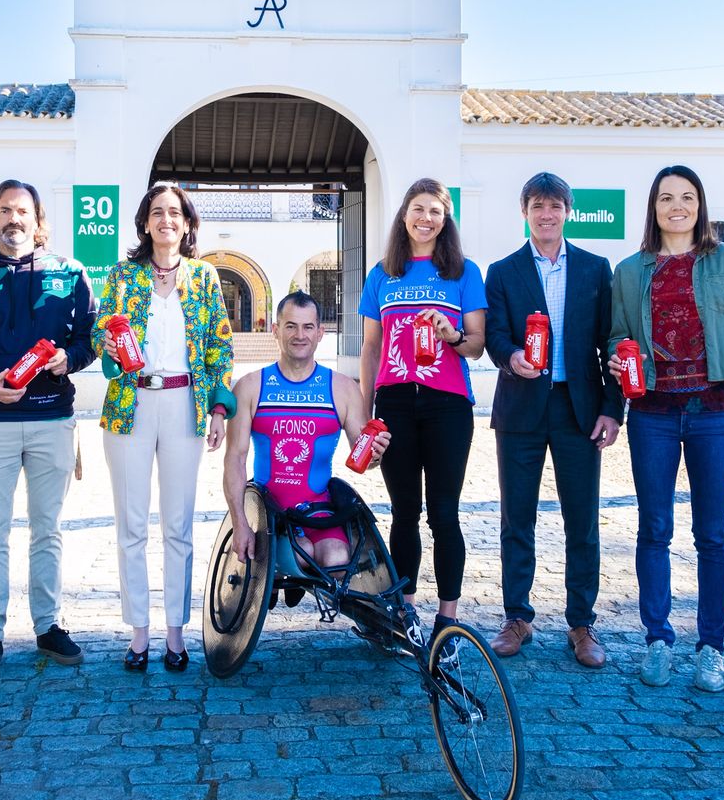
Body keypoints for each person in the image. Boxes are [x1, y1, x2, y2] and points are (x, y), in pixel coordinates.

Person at [0, 179, 95, 682]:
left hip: (53, 419)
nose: (14, 219)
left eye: (23, 211)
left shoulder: (70, 272)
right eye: (5, 210)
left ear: (37, 219)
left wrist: (68, 359)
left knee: (47, 530)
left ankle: (48, 626)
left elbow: (89, 338)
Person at [609, 165, 724, 693]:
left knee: (712, 533)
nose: (677, 207)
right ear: (654, 207)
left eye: (687, 197)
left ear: (700, 204)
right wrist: (618, 359)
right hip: (653, 416)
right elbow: (617, 336)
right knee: (654, 529)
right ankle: (657, 640)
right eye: (666, 198)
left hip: (715, 412)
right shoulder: (629, 271)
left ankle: (711, 647)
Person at [482, 173, 622, 665]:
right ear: (524, 212)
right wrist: (510, 356)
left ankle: (582, 623)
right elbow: (494, 333)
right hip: (520, 407)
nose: (546, 215)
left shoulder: (594, 269)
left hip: (577, 409)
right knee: (516, 518)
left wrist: (612, 409)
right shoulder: (502, 271)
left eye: (555, 206)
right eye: (538, 206)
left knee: (582, 520)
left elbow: (611, 343)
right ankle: (517, 617)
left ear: (568, 212)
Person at [95, 182, 234, 672]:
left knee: (178, 524)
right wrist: (106, 346)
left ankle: (175, 631)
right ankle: (139, 632)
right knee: (131, 524)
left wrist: (219, 409)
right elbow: (100, 330)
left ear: (188, 222)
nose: (166, 220)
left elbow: (220, 346)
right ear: (145, 222)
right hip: (129, 404)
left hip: (184, 404)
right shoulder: (122, 275)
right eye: (157, 212)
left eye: (175, 212)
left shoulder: (204, 276)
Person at [358, 177, 486, 652]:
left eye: (435, 211)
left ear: (445, 219)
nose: (426, 218)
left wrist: (452, 335)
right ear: (404, 214)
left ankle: (447, 623)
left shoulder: (463, 272)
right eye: (418, 208)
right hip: (394, 404)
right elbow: (371, 347)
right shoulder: (382, 274)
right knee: (404, 512)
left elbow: (476, 345)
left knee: (444, 514)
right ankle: (405, 612)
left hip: (447, 405)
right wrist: (366, 413)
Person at [222, 291, 391, 571]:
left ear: (320, 332)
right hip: (270, 512)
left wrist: (376, 455)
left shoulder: (343, 388)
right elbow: (234, 459)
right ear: (275, 330)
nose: (300, 335)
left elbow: (364, 460)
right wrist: (240, 523)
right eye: (291, 326)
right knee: (302, 553)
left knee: (337, 559)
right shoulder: (250, 387)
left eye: (308, 327)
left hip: (319, 511)